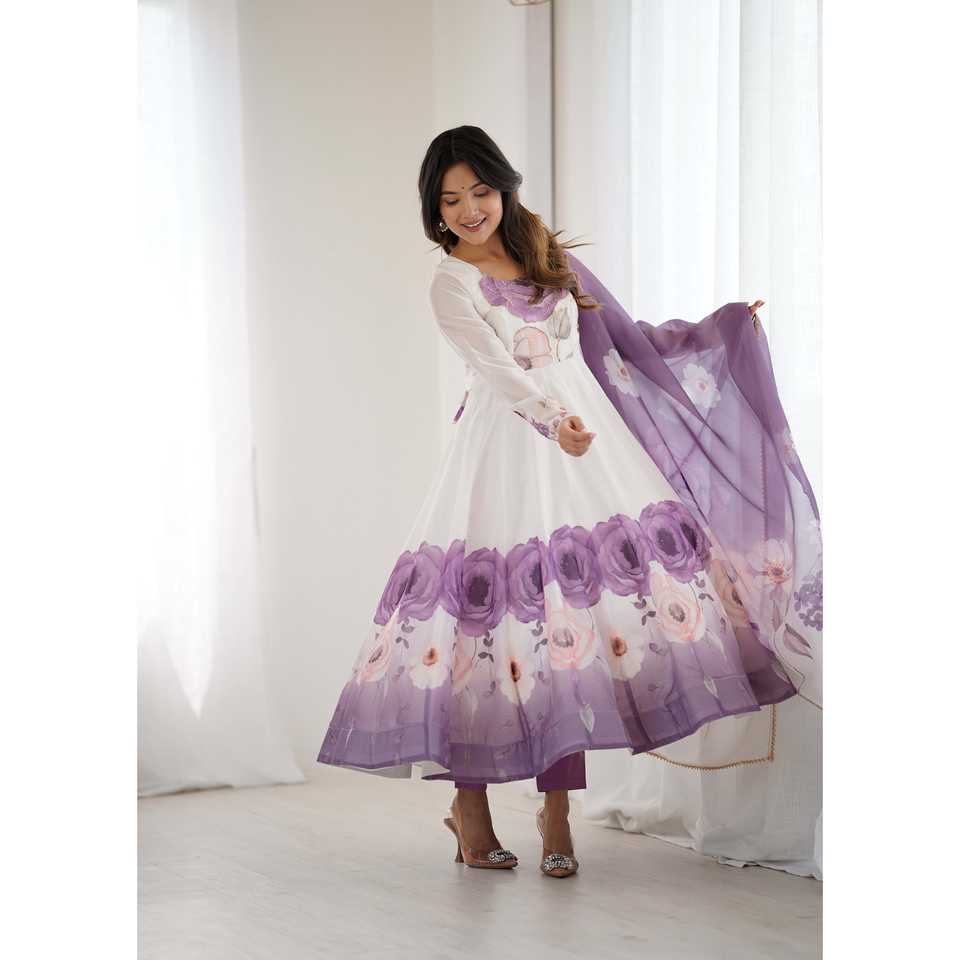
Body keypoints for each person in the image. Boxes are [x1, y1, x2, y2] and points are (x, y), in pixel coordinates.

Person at [317, 126, 822, 880]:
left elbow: (620, 338)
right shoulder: (451, 282)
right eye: (450, 200)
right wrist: (555, 421)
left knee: (570, 630)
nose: (469, 210)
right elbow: (496, 369)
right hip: (508, 449)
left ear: (503, 188)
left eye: (479, 192)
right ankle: (471, 807)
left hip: (589, 447)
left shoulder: (545, 254)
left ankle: (556, 811)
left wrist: (718, 329)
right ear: (434, 209)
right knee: (488, 629)